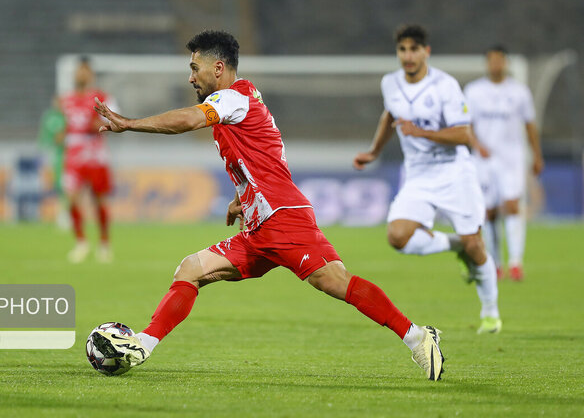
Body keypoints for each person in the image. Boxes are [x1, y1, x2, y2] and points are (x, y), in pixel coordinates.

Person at [90, 30, 445, 381]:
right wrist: (239, 199)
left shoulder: (234, 97)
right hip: (260, 228)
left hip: (283, 218)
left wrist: (129, 124)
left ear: (218, 68)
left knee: (335, 282)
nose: (190, 76)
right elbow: (264, 158)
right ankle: (143, 345)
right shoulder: (235, 106)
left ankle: (417, 337)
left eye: (194, 67)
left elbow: (187, 120)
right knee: (190, 269)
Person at [353, 24, 502, 334]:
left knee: (477, 245)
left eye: (414, 49)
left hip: (455, 172)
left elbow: (464, 134)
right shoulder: (390, 83)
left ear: (426, 52)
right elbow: (389, 115)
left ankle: (490, 312)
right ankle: (456, 244)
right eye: (402, 50)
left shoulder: (444, 85)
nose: (407, 56)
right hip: (419, 175)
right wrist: (374, 151)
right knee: (397, 236)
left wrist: (423, 133)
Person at [464, 46, 544, 281]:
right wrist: (477, 145)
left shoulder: (520, 92)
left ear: (506, 63)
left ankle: (516, 263)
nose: (496, 65)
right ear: (487, 64)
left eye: (500, 61)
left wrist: (537, 155)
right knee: (488, 213)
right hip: (484, 159)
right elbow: (465, 124)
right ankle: (495, 263)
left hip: (511, 159)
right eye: (492, 61)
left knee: (511, 206)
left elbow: (529, 125)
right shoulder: (474, 91)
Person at [60, 57, 117, 263]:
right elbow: (62, 124)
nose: (81, 75)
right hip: (73, 154)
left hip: (95, 154)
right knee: (72, 197)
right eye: (78, 71)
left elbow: (112, 122)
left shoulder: (101, 97)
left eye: (84, 71)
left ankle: (104, 243)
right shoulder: (65, 99)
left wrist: (98, 124)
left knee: (98, 199)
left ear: (90, 74)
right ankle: (81, 243)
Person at [38, 95, 67, 228]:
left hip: (67, 154)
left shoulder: (67, 116)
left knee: (68, 186)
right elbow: (45, 137)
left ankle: (66, 215)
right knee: (58, 186)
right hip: (54, 154)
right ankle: (60, 214)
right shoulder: (49, 116)